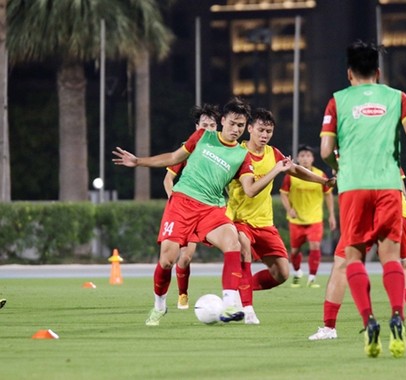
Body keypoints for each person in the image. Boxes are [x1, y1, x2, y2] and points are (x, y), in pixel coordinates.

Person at [112, 97, 293, 326]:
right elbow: (173, 158)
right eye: (232, 124)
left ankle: (229, 303)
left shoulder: (241, 155)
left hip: (211, 208)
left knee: (233, 244)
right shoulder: (202, 137)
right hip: (182, 203)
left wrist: (277, 170)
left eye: (240, 125)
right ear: (223, 121)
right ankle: (159, 305)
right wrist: (138, 161)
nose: (236, 129)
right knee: (168, 261)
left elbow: (250, 190)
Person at [319, 40, 406, 358]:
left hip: (354, 188)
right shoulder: (398, 98)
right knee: (393, 259)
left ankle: (369, 322)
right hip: (390, 187)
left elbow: (324, 152)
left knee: (353, 259)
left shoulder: (337, 101)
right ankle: (397, 318)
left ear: (349, 73)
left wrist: (341, 168)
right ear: (378, 72)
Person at [226, 108, 336, 325]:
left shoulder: (272, 154)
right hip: (238, 220)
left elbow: (295, 170)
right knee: (243, 251)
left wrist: (322, 181)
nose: (264, 135)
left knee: (281, 273)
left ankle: (240, 291)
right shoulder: (237, 153)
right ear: (250, 129)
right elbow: (250, 190)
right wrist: (276, 170)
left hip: (264, 222)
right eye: (260, 130)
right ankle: (247, 309)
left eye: (269, 131)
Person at [308, 171, 406, 341]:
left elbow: (335, 167)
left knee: (343, 265)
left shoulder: (348, 146)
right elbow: (400, 184)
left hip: (362, 204)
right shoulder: (386, 146)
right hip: (393, 204)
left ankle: (331, 327)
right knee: (400, 264)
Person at [163, 104, 220, 310]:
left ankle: (182, 294)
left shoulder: (221, 151)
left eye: (212, 125)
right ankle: (163, 298)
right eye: (204, 125)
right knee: (168, 259)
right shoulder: (188, 147)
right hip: (182, 209)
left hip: (204, 210)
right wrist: (173, 199)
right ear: (197, 126)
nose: (208, 129)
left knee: (186, 257)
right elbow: (168, 178)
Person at [279, 145, 336, 288]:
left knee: (315, 245)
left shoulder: (320, 175)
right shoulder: (291, 175)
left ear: (312, 158)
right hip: (296, 219)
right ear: (298, 158)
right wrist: (289, 209)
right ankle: (297, 272)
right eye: (302, 156)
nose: (305, 158)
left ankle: (312, 278)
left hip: (315, 218)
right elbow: (283, 194)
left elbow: (328, 195)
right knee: (295, 250)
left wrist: (331, 215)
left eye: (308, 156)